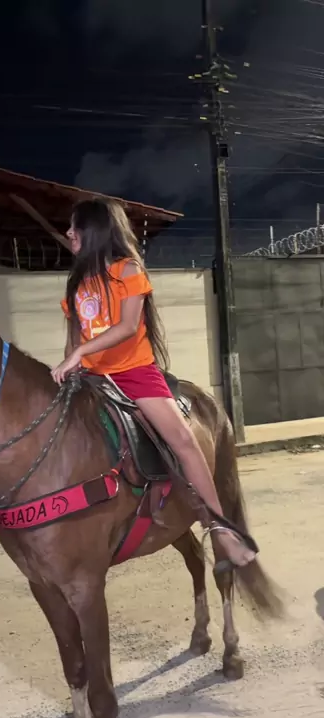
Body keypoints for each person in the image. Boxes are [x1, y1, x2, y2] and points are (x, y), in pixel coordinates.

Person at [51, 198, 255, 569]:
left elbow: (128, 327)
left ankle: (221, 530)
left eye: (75, 226)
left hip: (133, 371)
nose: (69, 233)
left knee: (184, 442)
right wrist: (71, 364)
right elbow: (75, 337)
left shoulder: (127, 271)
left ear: (94, 230)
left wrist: (79, 353)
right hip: (93, 378)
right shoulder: (77, 283)